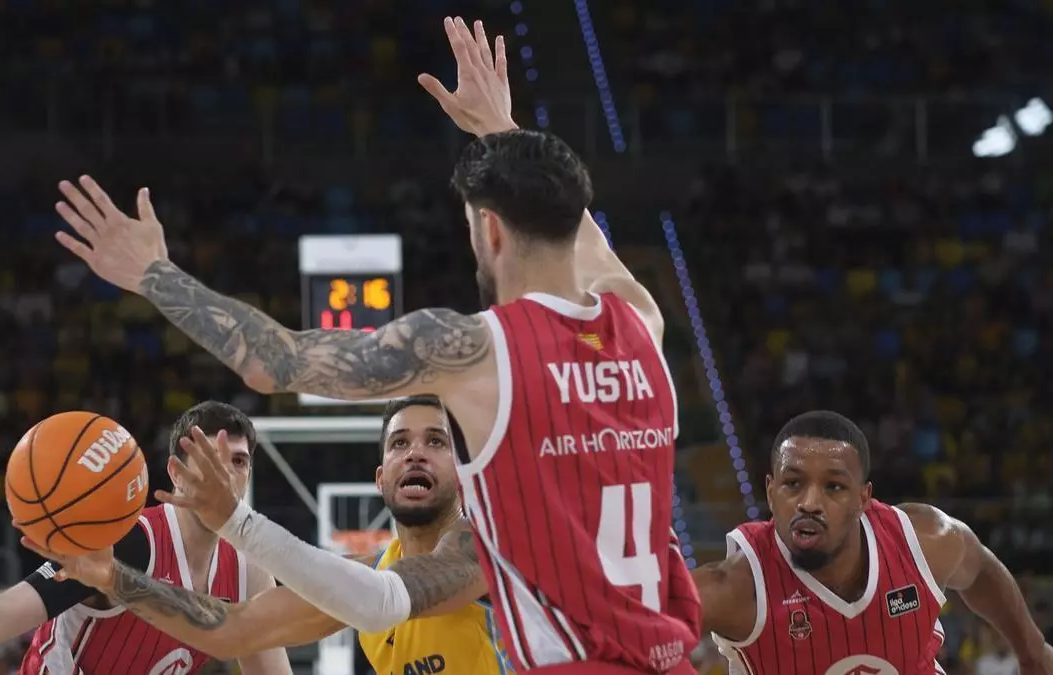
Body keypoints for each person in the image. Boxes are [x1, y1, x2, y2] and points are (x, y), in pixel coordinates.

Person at [48, 14, 699, 674]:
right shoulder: (641, 323)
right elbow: (587, 242)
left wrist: (153, 274)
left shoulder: (478, 350)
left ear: (491, 231)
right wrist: (500, 130)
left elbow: (276, 362)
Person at [24, 394, 517, 674]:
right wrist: (113, 576)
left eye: (436, 441)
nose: (415, 453)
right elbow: (232, 630)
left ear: (466, 472)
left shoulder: (491, 545)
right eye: (399, 443)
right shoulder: (362, 582)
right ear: (380, 477)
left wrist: (236, 522)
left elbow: (382, 600)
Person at [0, 401, 290, 675]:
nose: (227, 474)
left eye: (238, 461)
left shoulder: (249, 569)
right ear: (175, 473)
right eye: (212, 459)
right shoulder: (128, 540)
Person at [691, 410, 1053, 675]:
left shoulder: (921, 541)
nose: (810, 503)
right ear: (771, 492)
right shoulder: (738, 586)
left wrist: (1033, 652)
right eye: (793, 484)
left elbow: (979, 569)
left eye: (834, 486)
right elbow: (655, 631)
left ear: (863, 498)